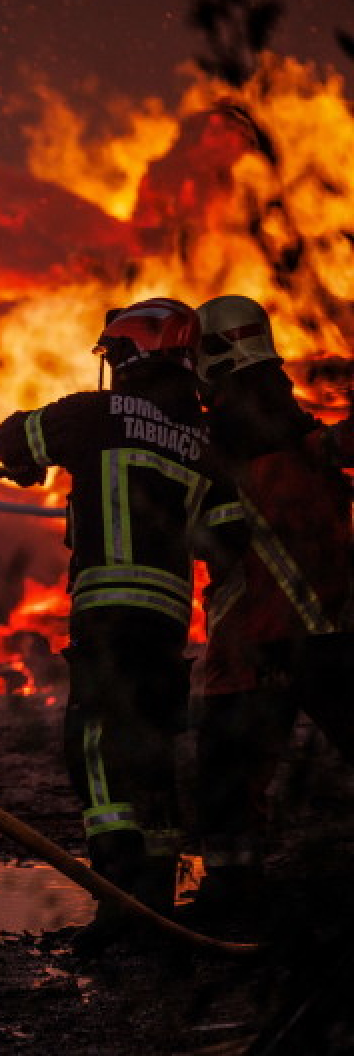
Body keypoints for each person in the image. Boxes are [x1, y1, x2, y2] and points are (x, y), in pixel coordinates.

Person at [0, 297, 247, 953]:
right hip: (167, 618)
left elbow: (12, 435)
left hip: (108, 609)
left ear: (132, 355)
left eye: (113, 354)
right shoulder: (204, 441)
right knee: (154, 749)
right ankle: (157, 902)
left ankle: (120, 908)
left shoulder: (93, 415)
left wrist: (28, 464)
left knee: (98, 749)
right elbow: (224, 541)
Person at [188, 294, 354, 915]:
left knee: (228, 773)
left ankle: (232, 896)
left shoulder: (211, 442)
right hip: (333, 630)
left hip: (254, 640)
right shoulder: (305, 435)